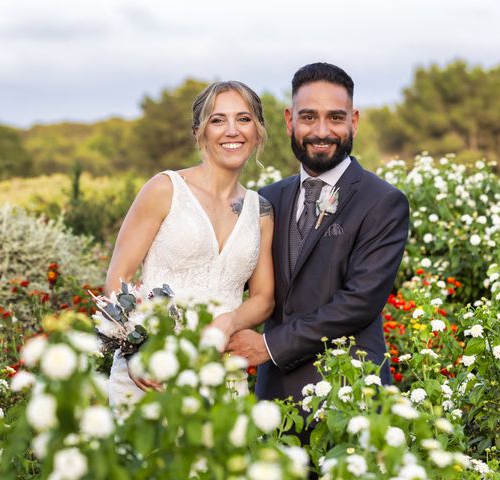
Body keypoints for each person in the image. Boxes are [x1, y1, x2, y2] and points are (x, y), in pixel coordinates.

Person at [228, 62, 410, 405]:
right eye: (309, 117)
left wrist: (269, 345)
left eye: (336, 118)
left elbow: (358, 302)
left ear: (353, 121)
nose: (321, 131)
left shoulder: (383, 202)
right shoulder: (267, 199)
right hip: (275, 399)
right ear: (289, 120)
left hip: (349, 394)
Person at [105, 81, 275, 406]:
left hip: (221, 376)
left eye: (243, 118)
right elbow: (118, 278)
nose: (232, 130)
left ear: (258, 131)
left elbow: (264, 298)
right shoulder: (165, 189)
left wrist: (231, 321)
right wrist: (137, 350)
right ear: (199, 131)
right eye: (217, 120)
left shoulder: (261, 211)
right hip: (154, 372)